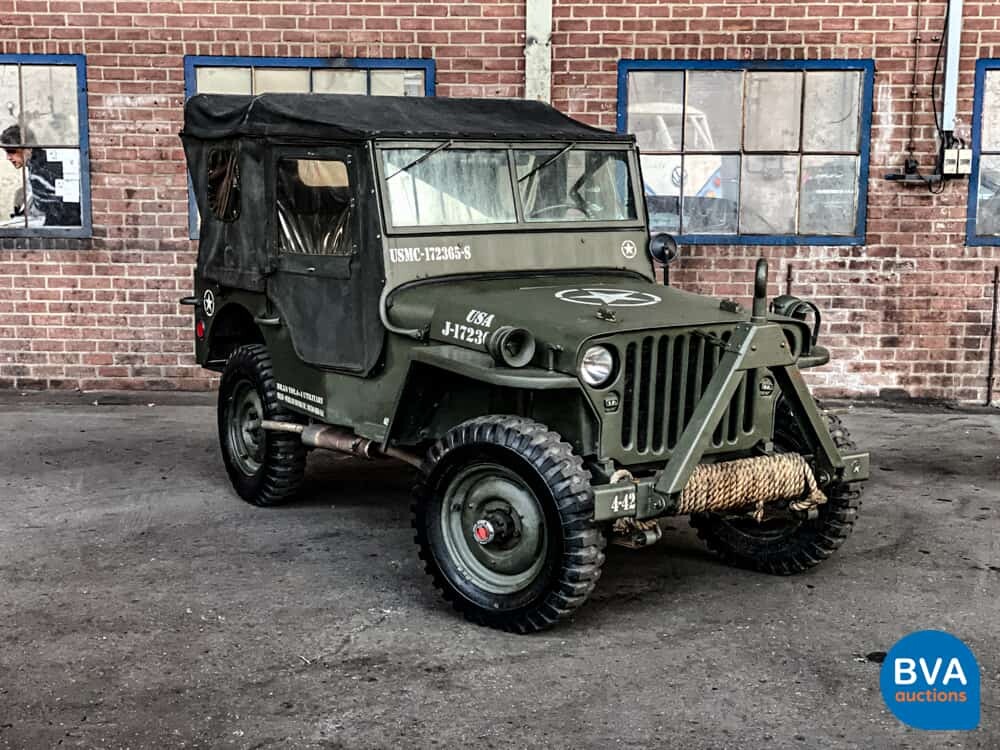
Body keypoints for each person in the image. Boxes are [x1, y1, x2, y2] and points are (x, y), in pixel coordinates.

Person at [1, 124, 80, 227]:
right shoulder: (37, 166)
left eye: (11, 151)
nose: (8, 157)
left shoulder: (39, 172)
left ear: (28, 148)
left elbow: (51, 211)